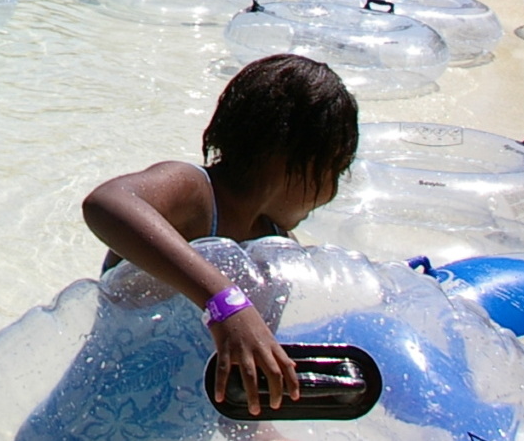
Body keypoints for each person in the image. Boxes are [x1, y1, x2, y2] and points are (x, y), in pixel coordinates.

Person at [80, 55, 361, 415]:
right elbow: (106, 203)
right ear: (287, 156)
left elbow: (241, 391)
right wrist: (225, 305)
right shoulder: (196, 196)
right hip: (90, 420)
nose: (331, 193)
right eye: (334, 170)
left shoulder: (276, 248)